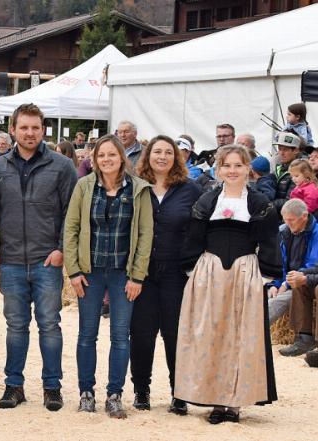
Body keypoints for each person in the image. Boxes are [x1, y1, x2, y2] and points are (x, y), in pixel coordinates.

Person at [176, 144, 280, 424]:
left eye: (238, 165)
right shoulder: (208, 201)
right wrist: (194, 270)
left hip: (245, 273)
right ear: (218, 169)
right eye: (226, 165)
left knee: (240, 337)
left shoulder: (259, 203)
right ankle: (215, 400)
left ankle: (234, 403)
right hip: (210, 273)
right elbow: (194, 236)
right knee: (211, 336)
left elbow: (270, 240)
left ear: (248, 169)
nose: (232, 171)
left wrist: (264, 276)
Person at [0, 103, 77, 411]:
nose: (30, 133)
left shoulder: (62, 166)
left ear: (43, 130)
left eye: (35, 128)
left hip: (46, 261)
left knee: (50, 325)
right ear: (13, 130)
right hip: (12, 260)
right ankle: (13, 386)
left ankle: (52, 387)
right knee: (15, 326)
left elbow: (72, 212)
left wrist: (61, 249)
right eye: (24, 127)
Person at [63, 135, 153, 419]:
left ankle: (115, 394)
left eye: (112, 154)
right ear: (94, 159)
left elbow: (145, 235)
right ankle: (86, 393)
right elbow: (71, 228)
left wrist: (137, 276)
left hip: (123, 273)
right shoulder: (84, 186)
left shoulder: (138, 188)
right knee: (86, 334)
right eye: (101, 155)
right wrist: (73, 271)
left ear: (122, 157)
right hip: (89, 272)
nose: (106, 160)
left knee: (120, 336)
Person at [127, 136, 203, 415]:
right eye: (157, 151)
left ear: (177, 157)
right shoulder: (136, 187)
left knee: (176, 335)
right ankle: (141, 390)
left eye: (168, 152)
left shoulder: (191, 189)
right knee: (142, 334)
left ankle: (179, 393)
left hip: (176, 272)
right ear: (147, 155)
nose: (162, 156)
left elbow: (201, 228)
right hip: (142, 273)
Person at [267, 199, 318, 357]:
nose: (287, 224)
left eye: (291, 220)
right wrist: (274, 284)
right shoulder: (284, 232)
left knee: (281, 299)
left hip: (304, 279)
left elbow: (313, 265)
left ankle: (249, 332)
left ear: (304, 216)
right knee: (264, 297)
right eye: (285, 220)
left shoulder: (316, 233)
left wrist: (287, 282)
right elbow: (278, 264)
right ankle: (303, 340)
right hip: (292, 281)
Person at [272, 130, 304, 212]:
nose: (281, 153)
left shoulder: (301, 172)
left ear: (296, 150)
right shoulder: (278, 167)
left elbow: (290, 202)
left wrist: (268, 204)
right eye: (279, 149)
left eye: (285, 150)